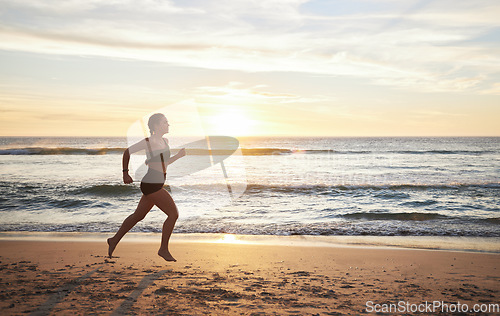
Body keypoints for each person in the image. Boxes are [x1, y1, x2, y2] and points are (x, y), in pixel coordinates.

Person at [107, 113, 186, 262]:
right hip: (151, 184)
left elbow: (165, 163)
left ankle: (114, 240)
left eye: (167, 122)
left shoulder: (165, 141)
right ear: (156, 125)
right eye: (164, 122)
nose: (168, 125)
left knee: (138, 216)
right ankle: (163, 249)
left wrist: (179, 156)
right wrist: (125, 173)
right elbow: (127, 152)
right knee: (173, 214)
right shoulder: (148, 141)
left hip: (157, 182)